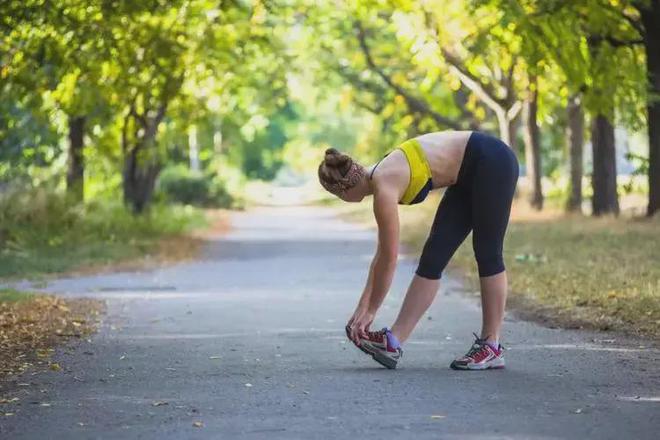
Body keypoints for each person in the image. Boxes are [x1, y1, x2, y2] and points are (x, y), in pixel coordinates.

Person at [318, 131, 519, 370]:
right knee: (433, 259)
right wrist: (363, 307)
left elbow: (389, 258)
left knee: (487, 252)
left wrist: (371, 310)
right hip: (466, 174)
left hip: (492, 160)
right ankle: (392, 343)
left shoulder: (384, 186)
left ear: (342, 192)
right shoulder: (376, 174)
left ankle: (491, 346)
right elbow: (381, 257)